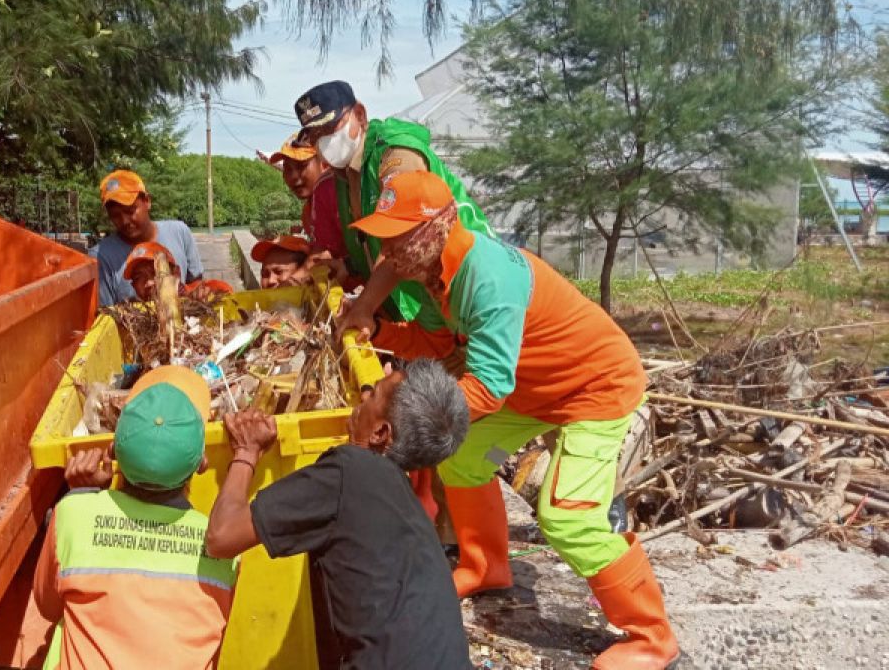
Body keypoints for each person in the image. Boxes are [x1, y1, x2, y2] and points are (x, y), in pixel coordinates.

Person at [347, 171, 679, 670]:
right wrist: (377, 328)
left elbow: (487, 385)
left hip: (594, 389)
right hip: (534, 389)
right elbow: (437, 345)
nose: (389, 253)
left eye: (400, 238)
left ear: (440, 226)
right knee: (459, 459)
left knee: (568, 517)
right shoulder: (437, 274)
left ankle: (651, 636)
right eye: (384, 238)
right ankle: (486, 565)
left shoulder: (487, 276)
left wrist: (407, 422)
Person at [206, 359, 473, 670]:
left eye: (373, 395)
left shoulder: (351, 471)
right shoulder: (408, 508)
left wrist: (245, 453)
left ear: (380, 433)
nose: (363, 395)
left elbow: (221, 537)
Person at [34, 366, 239, 670]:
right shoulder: (224, 546)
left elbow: (48, 607)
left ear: (113, 449)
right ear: (202, 464)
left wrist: (87, 495)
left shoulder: (72, 516)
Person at [289, 80, 492, 334]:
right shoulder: (344, 175)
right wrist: (349, 266)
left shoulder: (395, 154)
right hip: (427, 306)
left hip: (469, 289)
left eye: (331, 128)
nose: (325, 141)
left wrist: (364, 306)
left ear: (360, 115)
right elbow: (373, 242)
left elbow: (404, 240)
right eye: (316, 136)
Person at [90, 169, 203, 306]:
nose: (124, 221)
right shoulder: (101, 256)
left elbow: (196, 283)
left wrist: (192, 293)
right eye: (115, 215)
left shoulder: (180, 232)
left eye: (130, 211)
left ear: (147, 201)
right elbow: (104, 315)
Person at [266, 135, 346, 262]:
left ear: (324, 164)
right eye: (287, 169)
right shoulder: (307, 213)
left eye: (301, 166)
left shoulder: (342, 199)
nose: (293, 176)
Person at [123, 241, 232, 302]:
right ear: (133, 286)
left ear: (176, 273)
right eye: (139, 278)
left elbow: (225, 291)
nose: (149, 283)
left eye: (156, 272)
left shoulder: (202, 290)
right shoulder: (137, 316)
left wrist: (199, 302)